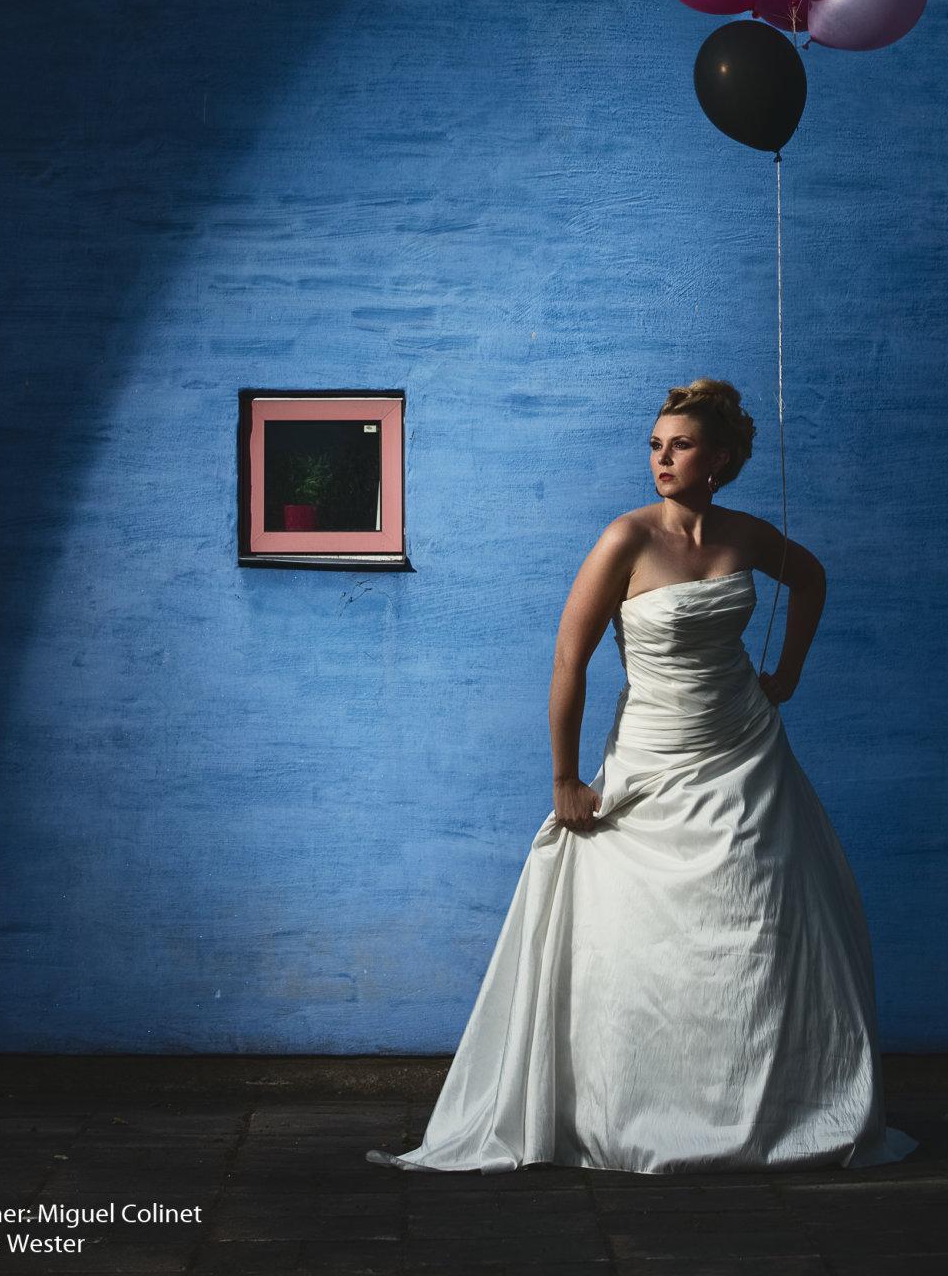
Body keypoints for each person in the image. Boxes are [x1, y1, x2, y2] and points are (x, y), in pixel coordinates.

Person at [367, 377, 918, 1175]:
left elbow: (811, 578)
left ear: (718, 460)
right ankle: (641, 1109)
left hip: (746, 752)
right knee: (644, 941)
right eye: (656, 445)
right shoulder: (625, 538)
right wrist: (565, 778)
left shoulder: (745, 535)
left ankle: (761, 1108)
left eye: (680, 446)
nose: (662, 458)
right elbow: (569, 659)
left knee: (757, 933)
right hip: (653, 758)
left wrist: (787, 673)